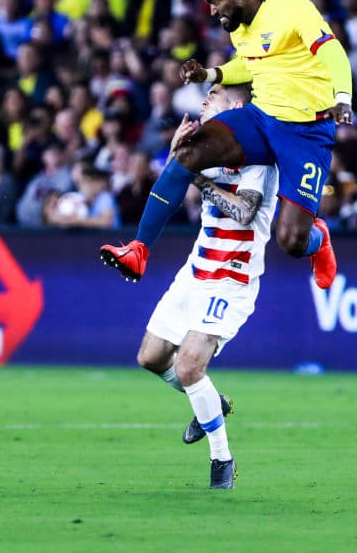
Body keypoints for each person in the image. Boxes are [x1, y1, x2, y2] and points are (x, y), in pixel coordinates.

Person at [100, 0, 353, 291]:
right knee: (187, 151)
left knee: (291, 241)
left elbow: (332, 51)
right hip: (262, 117)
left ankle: (318, 239)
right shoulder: (239, 27)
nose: (211, 9)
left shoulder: (292, 8)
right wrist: (209, 74)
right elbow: (249, 66)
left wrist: (343, 97)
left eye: (214, 0)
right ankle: (139, 249)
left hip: (306, 131)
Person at [136, 83, 277, 490]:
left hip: (232, 278)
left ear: (236, 106)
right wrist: (177, 158)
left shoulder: (258, 157)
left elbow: (245, 211)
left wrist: (197, 176)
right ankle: (212, 403)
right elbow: (169, 190)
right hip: (195, 273)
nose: (204, 99)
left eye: (213, 93)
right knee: (150, 357)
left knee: (189, 365)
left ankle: (222, 460)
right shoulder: (209, 150)